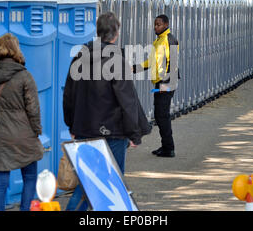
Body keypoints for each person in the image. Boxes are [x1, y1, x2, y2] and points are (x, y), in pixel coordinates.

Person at [63, 12, 150, 211]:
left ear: (98, 31)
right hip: (113, 130)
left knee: (88, 180)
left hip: (84, 128)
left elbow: (69, 93)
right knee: (113, 182)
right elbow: (127, 100)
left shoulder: (80, 55)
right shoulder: (116, 59)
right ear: (116, 33)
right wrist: (134, 133)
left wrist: (71, 123)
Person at [0, 33, 44, 211]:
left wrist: (1, 120)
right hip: (24, 136)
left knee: (0, 184)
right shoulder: (25, 76)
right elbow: (33, 109)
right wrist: (36, 131)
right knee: (30, 178)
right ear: (16, 50)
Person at [134, 14, 180, 158]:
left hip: (166, 83)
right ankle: (166, 146)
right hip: (161, 83)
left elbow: (170, 63)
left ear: (166, 25)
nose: (155, 27)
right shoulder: (159, 40)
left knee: (162, 115)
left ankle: (169, 148)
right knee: (160, 115)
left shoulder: (168, 40)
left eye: (158, 24)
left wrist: (165, 84)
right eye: (155, 24)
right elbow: (151, 61)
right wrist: (135, 68)